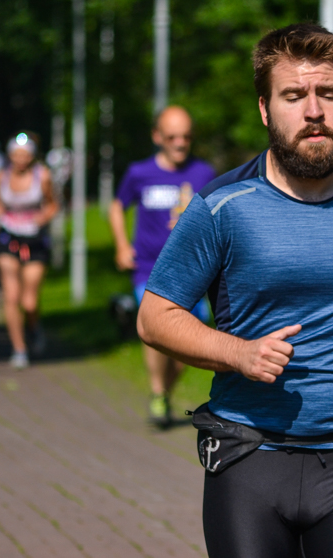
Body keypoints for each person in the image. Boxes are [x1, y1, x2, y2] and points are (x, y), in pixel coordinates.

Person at [136, 24, 333, 558]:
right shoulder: (222, 206)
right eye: (294, 95)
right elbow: (155, 316)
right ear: (266, 109)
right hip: (249, 456)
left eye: (328, 93)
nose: (314, 111)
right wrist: (238, 352)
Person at [108, 106, 216, 426]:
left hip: (193, 273)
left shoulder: (204, 174)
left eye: (186, 137)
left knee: (183, 352)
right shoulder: (139, 173)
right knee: (155, 329)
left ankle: (165, 392)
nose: (180, 143)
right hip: (150, 270)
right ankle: (157, 390)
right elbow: (117, 206)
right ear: (157, 137)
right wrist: (120, 245)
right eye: (172, 137)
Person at [0, 132, 58, 369]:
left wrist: (43, 217)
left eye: (25, 155)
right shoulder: (2, 177)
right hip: (8, 238)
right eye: (16, 155)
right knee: (11, 296)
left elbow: (52, 204)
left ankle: (33, 326)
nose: (20, 159)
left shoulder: (43, 176)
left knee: (29, 301)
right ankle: (19, 349)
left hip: (35, 241)